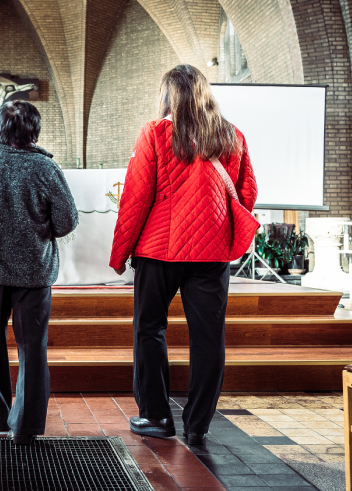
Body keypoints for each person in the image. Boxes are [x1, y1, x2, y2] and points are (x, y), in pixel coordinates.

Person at [109, 64, 257, 445]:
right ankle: (198, 424)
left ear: (167, 96)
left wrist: (120, 253)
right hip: (211, 253)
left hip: (159, 250)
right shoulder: (231, 136)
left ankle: (156, 415)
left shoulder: (156, 132)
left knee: (149, 328)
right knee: (208, 337)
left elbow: (135, 199)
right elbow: (247, 193)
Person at [0, 100, 79, 445]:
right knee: (32, 348)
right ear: (36, 130)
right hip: (34, 274)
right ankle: (25, 425)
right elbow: (67, 222)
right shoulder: (46, 168)